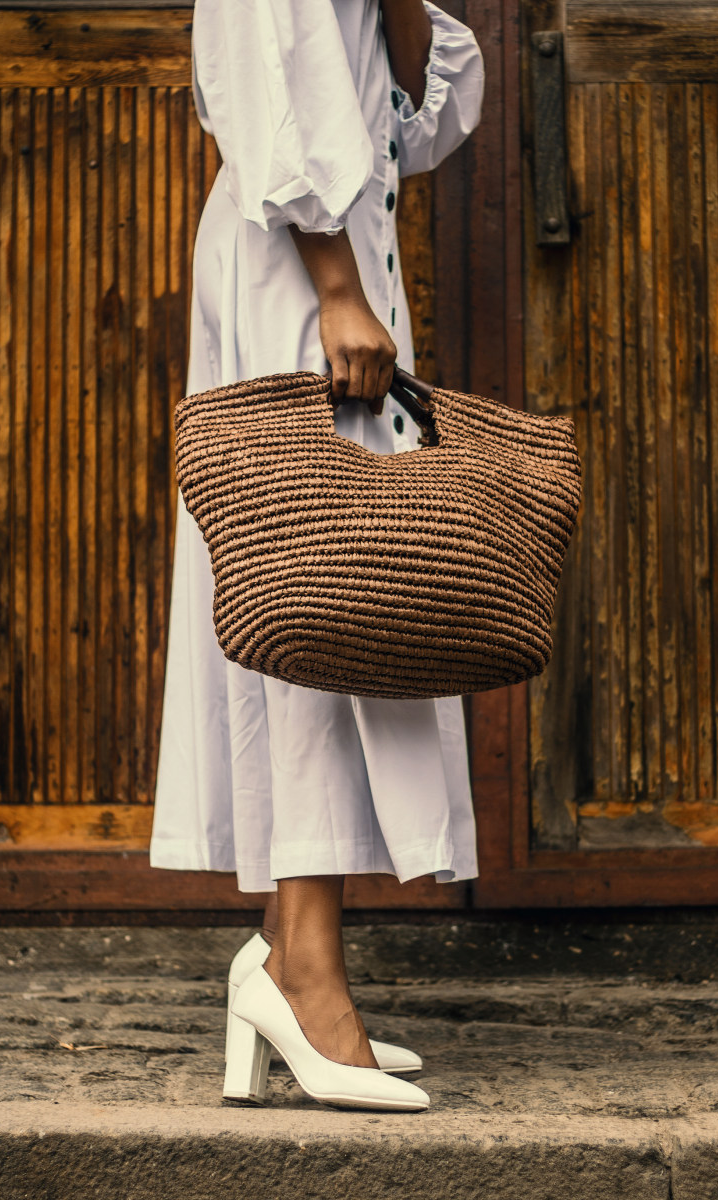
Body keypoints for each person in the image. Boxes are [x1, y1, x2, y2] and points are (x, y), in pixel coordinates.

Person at [150, 0, 484, 1111]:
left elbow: (415, 123)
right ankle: (306, 978)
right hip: (295, 279)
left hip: (335, 274)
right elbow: (262, 93)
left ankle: (286, 956)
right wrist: (337, 290)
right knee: (311, 609)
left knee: (327, 599)